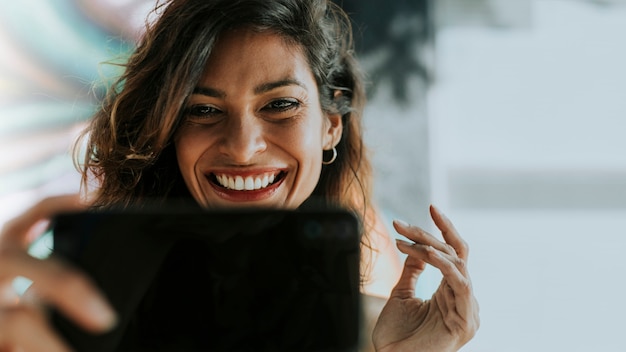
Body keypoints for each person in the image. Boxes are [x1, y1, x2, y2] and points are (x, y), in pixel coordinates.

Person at [0, 0, 479, 351]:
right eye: (203, 110)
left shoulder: (377, 338)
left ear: (331, 125)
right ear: (169, 131)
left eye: (281, 105)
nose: (243, 148)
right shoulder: (76, 317)